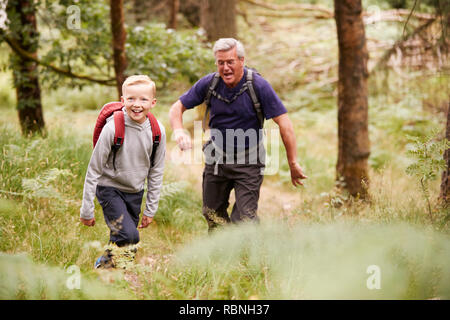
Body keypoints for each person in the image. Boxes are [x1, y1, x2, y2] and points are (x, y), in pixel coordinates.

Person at [169, 38, 306, 232]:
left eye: (230, 62)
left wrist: (293, 163)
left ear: (241, 60)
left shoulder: (258, 86)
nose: (225, 68)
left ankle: (246, 253)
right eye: (220, 62)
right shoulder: (210, 83)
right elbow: (177, 107)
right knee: (212, 214)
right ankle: (220, 255)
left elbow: (285, 124)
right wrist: (179, 130)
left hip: (249, 161)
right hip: (217, 158)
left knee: (244, 219)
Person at [80, 75, 166, 268]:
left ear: (153, 102)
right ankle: (111, 269)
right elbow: (93, 170)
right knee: (130, 236)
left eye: (143, 99)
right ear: (122, 100)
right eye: (131, 99)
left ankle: (108, 271)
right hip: (109, 188)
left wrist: (150, 209)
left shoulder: (157, 131)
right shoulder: (112, 129)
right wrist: (87, 209)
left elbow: (156, 172)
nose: (137, 104)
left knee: (121, 239)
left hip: (135, 192)